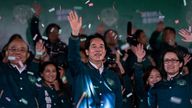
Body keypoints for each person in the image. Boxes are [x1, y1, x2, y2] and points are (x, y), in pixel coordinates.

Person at [67, 11, 123, 108]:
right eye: (94, 46)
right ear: (87, 52)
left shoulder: (112, 76)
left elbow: (118, 103)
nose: (98, 49)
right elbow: (73, 57)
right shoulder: (80, 71)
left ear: (105, 51)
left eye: (101, 46)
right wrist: (75, 34)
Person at [0, 37, 46, 107]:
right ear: (7, 53)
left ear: (27, 55)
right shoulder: (3, 72)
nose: (18, 52)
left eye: (22, 50)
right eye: (13, 49)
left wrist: (38, 55)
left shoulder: (35, 75)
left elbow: (41, 99)